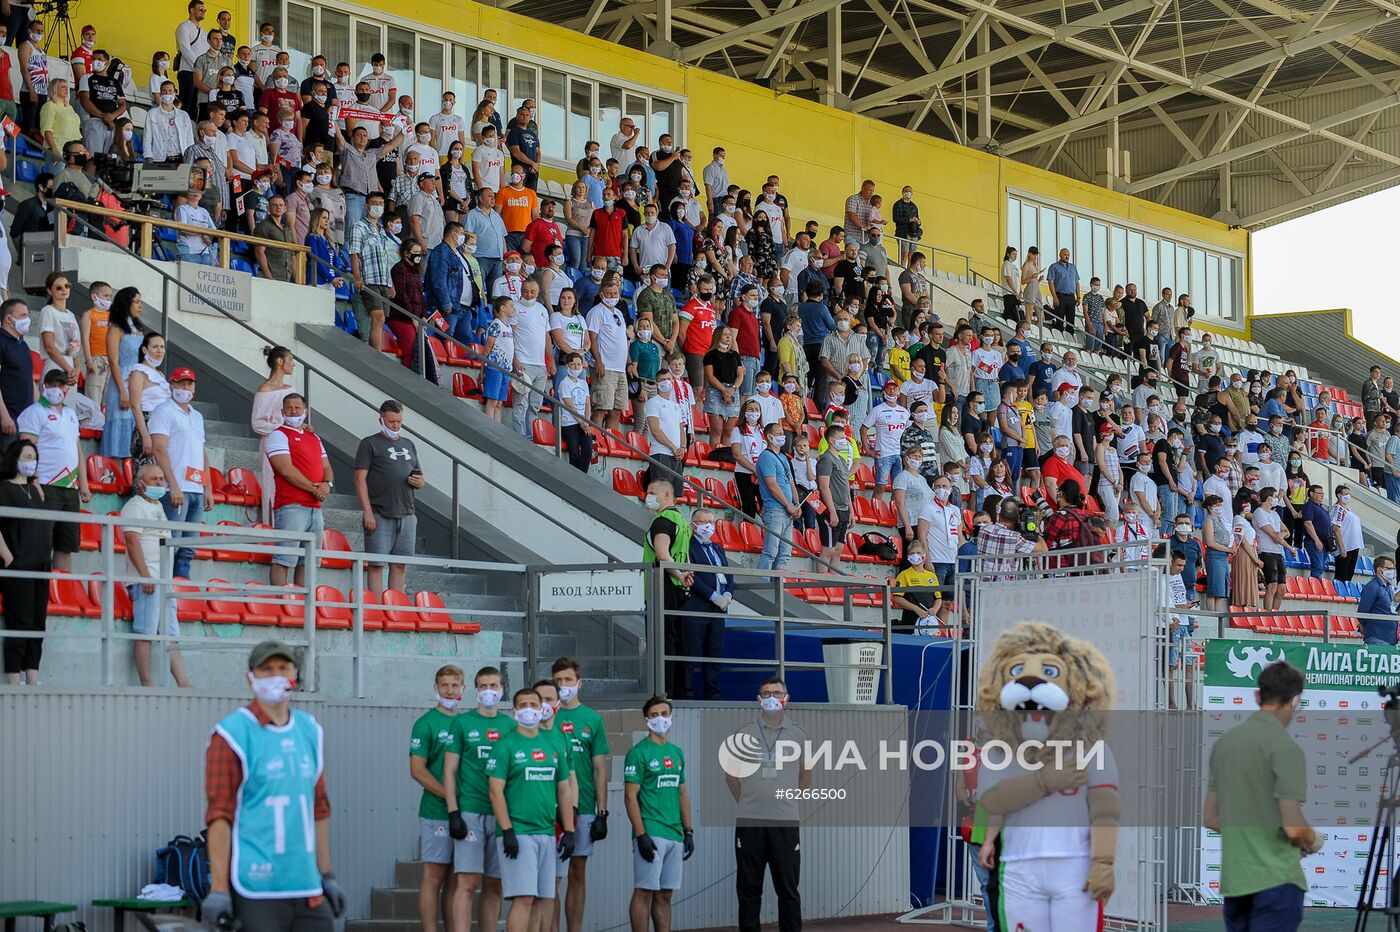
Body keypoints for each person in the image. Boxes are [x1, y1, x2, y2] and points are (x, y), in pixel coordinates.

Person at [201, 641, 346, 931]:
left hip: (305, 884)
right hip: (257, 885)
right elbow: (219, 815)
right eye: (266, 669)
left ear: (295, 675)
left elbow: (319, 808)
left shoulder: (310, 730)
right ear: (250, 678)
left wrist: (327, 874)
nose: (276, 675)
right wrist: (218, 888)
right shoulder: (232, 734)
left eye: (283, 668)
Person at [1203, 661, 1316, 932]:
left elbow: (1210, 818)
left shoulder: (1225, 744)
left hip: (1237, 880)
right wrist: (1312, 839)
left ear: (1257, 696)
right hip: (1277, 879)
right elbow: (1293, 828)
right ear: (1294, 700)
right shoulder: (1286, 748)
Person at [486, 687, 575, 932]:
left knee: (542, 899)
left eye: (534, 705)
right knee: (523, 898)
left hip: (547, 832)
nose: (529, 709)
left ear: (542, 709)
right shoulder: (505, 745)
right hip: (518, 832)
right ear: (514, 711)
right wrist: (507, 831)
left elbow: (564, 790)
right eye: (523, 705)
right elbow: (495, 791)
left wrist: (568, 830)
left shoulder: (553, 747)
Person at [726, 676, 808, 932]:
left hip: (785, 823)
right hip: (750, 824)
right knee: (749, 890)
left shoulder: (799, 735)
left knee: (788, 890)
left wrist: (790, 802)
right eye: (767, 693)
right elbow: (731, 776)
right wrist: (750, 802)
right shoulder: (743, 734)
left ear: (787, 698)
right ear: (758, 699)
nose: (772, 697)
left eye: (777, 692)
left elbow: (806, 775)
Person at [444, 666, 512, 932]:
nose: (488, 691)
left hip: (501, 814)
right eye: (483, 686)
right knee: (467, 883)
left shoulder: (510, 725)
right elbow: (449, 770)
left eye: (493, 686)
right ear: (475, 690)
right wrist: (453, 812)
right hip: (470, 811)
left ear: (502, 689)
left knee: (494, 885)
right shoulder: (461, 723)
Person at [552, 657, 611, 932]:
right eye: (558, 680)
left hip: (585, 806)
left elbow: (599, 768)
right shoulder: (547, 715)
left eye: (567, 680)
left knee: (577, 871)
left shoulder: (592, 719)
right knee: (551, 878)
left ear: (579, 683)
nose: (563, 685)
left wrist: (602, 812)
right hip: (548, 806)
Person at [120, 463, 192, 688]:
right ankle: (147, 684)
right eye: (155, 479)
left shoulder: (158, 506)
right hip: (147, 580)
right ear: (141, 483)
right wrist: (145, 576)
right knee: (146, 632)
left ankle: (183, 683)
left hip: (163, 580)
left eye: (162, 479)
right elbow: (132, 542)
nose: (160, 483)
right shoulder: (134, 506)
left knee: (171, 635)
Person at [625, 696, 692, 932]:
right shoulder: (638, 753)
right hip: (651, 831)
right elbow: (630, 796)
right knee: (644, 891)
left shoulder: (677, 753)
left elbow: (682, 793)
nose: (660, 719)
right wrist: (641, 835)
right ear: (646, 720)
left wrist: (688, 830)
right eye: (654, 715)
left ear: (671, 717)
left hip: (675, 833)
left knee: (665, 895)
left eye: (664, 713)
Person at [16, 369, 90, 571]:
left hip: (70, 487)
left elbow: (76, 448)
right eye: (52, 385)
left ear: (67, 388)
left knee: (66, 545)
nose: (57, 389)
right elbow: (25, 450)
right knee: (41, 541)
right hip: (46, 485)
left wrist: (83, 482)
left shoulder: (70, 413)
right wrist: (34, 482)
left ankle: (62, 590)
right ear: (44, 386)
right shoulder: (34, 413)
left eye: (61, 385)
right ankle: (41, 590)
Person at [411, 665, 464, 932]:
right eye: (445, 685)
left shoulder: (467, 723)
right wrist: (450, 797)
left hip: (466, 815)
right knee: (434, 878)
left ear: (463, 689)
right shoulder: (426, 723)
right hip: (436, 812)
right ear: (436, 688)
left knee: (457, 880)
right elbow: (417, 770)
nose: (450, 691)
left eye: (455, 686)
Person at [354, 400, 424, 593]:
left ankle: (395, 610)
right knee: (376, 565)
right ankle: (377, 611)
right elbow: (360, 479)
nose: (396, 425)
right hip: (379, 512)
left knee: (400, 564)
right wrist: (367, 511)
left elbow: (418, 474)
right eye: (391, 421)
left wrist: (420, 482)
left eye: (399, 422)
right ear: (381, 419)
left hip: (407, 512)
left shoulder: (409, 443)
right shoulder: (369, 443)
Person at [147, 367, 210, 581]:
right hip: (176, 487)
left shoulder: (197, 416)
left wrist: (207, 488)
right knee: (170, 545)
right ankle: (163, 588)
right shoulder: (163, 411)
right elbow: (159, 449)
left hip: (195, 488)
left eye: (189, 384)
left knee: (188, 548)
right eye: (181, 383)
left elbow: (202, 451)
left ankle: (181, 592)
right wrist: (172, 484)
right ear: (171, 385)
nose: (185, 388)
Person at [0, 440, 52, 684]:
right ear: (15, 458)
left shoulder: (35, 490)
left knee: (37, 624)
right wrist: (8, 558)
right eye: (27, 456)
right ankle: (13, 679)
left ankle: (33, 676)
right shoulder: (4, 488)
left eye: (34, 458)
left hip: (41, 564)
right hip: (18, 565)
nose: (31, 462)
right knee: (19, 622)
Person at [267, 394, 332, 588]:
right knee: (284, 559)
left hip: (315, 508)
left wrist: (327, 485)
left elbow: (326, 466)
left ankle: (302, 610)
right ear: (282, 411)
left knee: (307, 563)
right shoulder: (277, 435)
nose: (293, 411)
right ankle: (279, 603)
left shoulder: (314, 437)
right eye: (289, 408)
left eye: (297, 407)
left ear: (306, 411)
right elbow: (286, 470)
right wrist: (315, 488)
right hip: (291, 506)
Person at [643, 479, 695, 699]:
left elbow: (662, 554)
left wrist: (678, 574)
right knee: (677, 644)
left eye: (652, 493)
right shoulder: (682, 522)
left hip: (663, 585)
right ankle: (679, 692)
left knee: (662, 645)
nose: (648, 496)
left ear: (666, 496)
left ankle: (664, 694)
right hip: (679, 590)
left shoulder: (662, 521)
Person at [683, 509, 732, 700]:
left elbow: (727, 573)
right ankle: (686, 693)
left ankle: (713, 693)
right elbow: (691, 575)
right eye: (703, 522)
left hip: (719, 608)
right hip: (697, 605)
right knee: (690, 651)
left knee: (714, 651)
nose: (708, 526)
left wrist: (728, 593)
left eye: (711, 521)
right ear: (693, 524)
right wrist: (713, 595)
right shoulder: (687, 545)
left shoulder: (718, 548)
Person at [756, 422, 800, 572]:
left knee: (784, 553)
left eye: (782, 433)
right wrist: (788, 504)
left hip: (787, 511)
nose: (783, 436)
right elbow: (772, 485)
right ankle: (762, 585)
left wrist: (796, 503)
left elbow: (791, 482)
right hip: (775, 509)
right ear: (769, 436)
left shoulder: (783, 457)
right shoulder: (766, 457)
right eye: (779, 433)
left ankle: (777, 586)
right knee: (771, 552)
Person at [1359, 556, 1399, 646]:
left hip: (1390, 638)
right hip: (1377, 638)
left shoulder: (1389, 587)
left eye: (1393, 569)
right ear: (1379, 570)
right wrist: (1364, 625)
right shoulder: (1372, 587)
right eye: (1389, 568)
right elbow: (1363, 611)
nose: (1392, 571)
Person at [1330, 485, 1363, 582]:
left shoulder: (1348, 510)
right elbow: (1336, 528)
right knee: (1342, 574)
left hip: (1353, 545)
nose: (1349, 496)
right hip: (1345, 546)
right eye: (1346, 494)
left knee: (1349, 574)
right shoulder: (1338, 509)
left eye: (1349, 493)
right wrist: (1342, 549)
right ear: (1339, 496)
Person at [1299, 483, 1332, 579]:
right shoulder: (1309, 506)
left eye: (1323, 493)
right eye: (1319, 493)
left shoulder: (1320, 507)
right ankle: (1314, 587)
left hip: (1324, 542)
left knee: (1321, 567)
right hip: (1314, 541)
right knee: (1317, 567)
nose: (1322, 495)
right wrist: (1316, 540)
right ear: (1312, 494)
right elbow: (1308, 523)